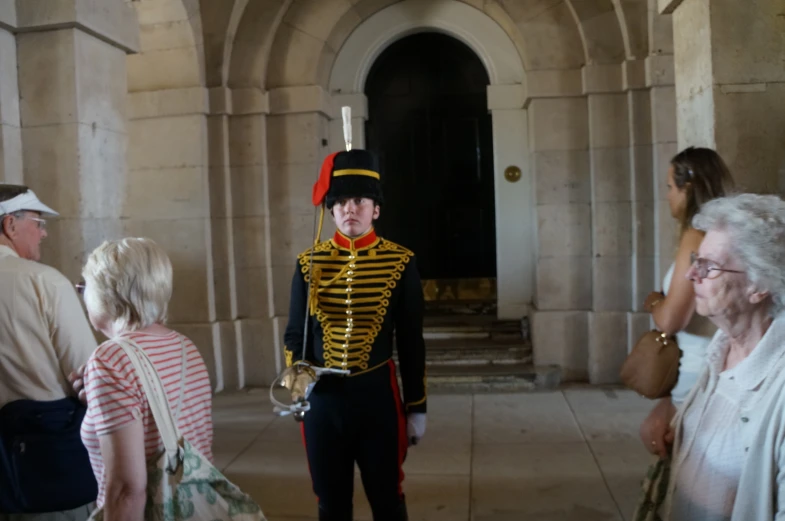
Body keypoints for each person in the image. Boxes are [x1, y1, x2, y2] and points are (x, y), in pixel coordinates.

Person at [283, 148, 427, 521]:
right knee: (331, 502)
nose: (350, 209)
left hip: (377, 398)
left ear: (375, 209)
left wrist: (417, 406)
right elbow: (295, 333)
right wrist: (297, 387)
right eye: (341, 201)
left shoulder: (401, 262)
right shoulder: (307, 263)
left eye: (360, 201)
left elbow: (411, 342)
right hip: (323, 403)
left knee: (387, 498)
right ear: (330, 210)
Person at [660, 193, 785, 520]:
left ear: (757, 285)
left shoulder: (778, 384)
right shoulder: (721, 347)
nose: (691, 275)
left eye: (709, 266)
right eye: (695, 260)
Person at [76, 238, 213, 520]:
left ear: (107, 293)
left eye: (84, 287)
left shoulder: (110, 359)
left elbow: (128, 489)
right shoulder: (184, 345)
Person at [0, 184, 98, 520]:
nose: (43, 234)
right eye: (38, 223)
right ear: (9, 225)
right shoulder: (45, 282)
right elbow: (88, 374)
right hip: (43, 460)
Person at [639, 147, 734, 459]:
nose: (667, 195)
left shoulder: (696, 237)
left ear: (687, 188)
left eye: (670, 187)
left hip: (697, 372)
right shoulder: (727, 230)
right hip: (717, 368)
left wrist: (655, 302)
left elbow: (670, 320)